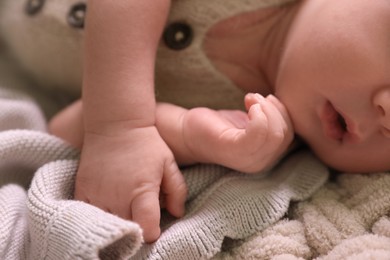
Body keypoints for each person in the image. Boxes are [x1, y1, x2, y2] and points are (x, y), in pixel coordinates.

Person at [44, 0, 390, 243]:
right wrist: (121, 124)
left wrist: (191, 136)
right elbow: (113, 128)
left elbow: (64, 128)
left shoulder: (260, 132)